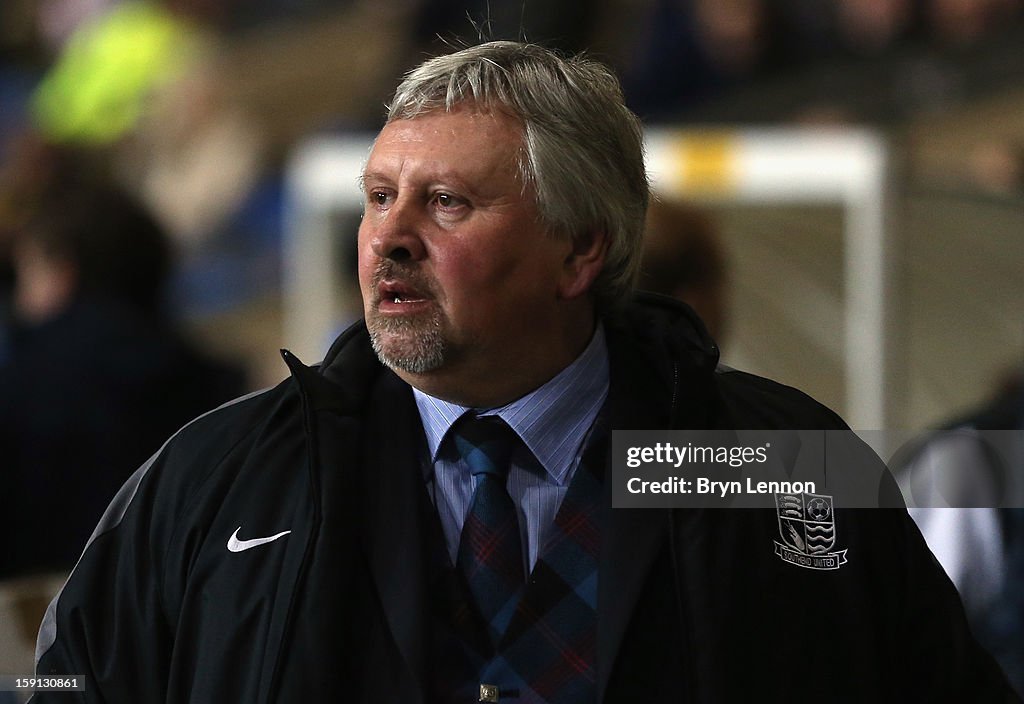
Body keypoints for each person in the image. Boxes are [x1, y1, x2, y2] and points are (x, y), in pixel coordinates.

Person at [32, 41, 1016, 703]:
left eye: (447, 202)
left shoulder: (785, 458)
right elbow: (65, 680)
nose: (388, 238)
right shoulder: (218, 477)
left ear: (578, 249)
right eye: (380, 196)